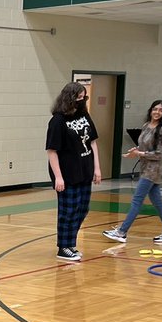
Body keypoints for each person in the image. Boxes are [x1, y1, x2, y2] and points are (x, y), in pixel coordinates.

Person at [102, 100, 162, 244]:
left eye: (161, 110)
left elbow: (158, 154)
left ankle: (122, 232)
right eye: (155, 109)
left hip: (152, 170)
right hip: (144, 168)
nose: (157, 112)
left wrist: (139, 153)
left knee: (137, 200)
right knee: (157, 201)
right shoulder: (146, 126)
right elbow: (143, 145)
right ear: (150, 110)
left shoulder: (161, 130)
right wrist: (135, 150)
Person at [46, 82, 101, 262]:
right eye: (79, 98)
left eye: (84, 98)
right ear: (69, 98)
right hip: (67, 173)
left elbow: (93, 142)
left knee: (82, 209)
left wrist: (97, 168)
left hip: (84, 170)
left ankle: (70, 243)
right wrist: (58, 177)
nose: (82, 101)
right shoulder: (58, 121)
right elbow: (52, 151)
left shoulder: (84, 115)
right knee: (68, 211)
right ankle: (64, 247)